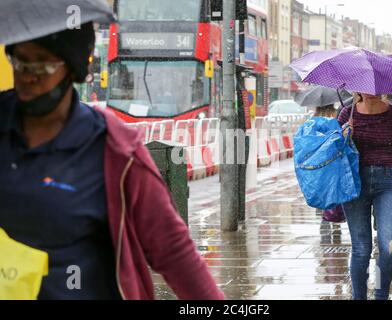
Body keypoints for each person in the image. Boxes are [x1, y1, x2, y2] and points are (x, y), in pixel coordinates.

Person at [0, 23, 224, 300]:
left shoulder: (115, 150)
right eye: (20, 62)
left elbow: (172, 250)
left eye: (42, 66)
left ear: (72, 68)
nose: (27, 76)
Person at [338, 92, 392, 300]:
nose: (371, 90)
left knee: (389, 246)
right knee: (361, 249)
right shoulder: (347, 114)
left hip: (389, 182)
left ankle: (381, 294)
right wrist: (344, 136)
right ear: (357, 89)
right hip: (355, 184)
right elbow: (334, 154)